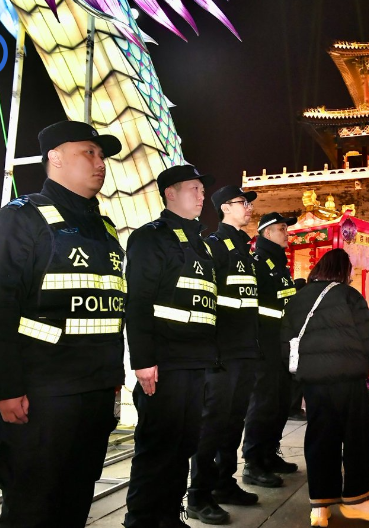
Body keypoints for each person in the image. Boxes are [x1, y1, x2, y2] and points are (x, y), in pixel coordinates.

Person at [0, 120, 125, 527]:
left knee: (75, 499)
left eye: (101, 155)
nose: (100, 163)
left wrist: (113, 379)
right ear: (55, 158)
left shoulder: (105, 228)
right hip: (42, 394)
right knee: (31, 505)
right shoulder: (21, 218)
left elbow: (111, 309)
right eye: (89, 153)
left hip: (95, 391)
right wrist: (5, 388)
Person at [123, 164, 217, 528]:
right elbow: (138, 301)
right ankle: (142, 520)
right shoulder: (151, 237)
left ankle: (169, 517)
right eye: (194, 188)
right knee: (157, 447)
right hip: (164, 362)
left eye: (202, 190)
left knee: (184, 445)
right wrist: (143, 360)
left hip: (195, 362)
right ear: (171, 193)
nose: (201, 195)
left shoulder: (200, 244)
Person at [281, 249, 369, 527]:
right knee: (357, 438)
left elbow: (285, 340)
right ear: (342, 270)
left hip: (314, 383)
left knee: (320, 438)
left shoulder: (298, 298)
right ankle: (358, 499)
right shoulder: (349, 296)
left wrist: (299, 374)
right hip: (348, 380)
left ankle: (320, 507)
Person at [188, 185, 264, 525]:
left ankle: (223, 483)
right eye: (241, 203)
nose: (248, 208)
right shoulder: (214, 246)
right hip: (222, 353)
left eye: (248, 203)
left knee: (234, 422)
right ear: (224, 208)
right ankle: (198, 495)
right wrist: (211, 349)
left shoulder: (245, 251)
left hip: (245, 351)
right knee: (212, 425)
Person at [242, 212, 300, 484]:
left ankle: (269, 453)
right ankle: (253, 463)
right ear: (266, 233)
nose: (286, 233)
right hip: (265, 345)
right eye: (281, 229)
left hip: (283, 345)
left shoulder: (279, 264)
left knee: (280, 403)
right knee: (263, 404)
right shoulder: (256, 264)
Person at [288, 277, 308, 421]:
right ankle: (293, 409)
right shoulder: (301, 303)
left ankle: (292, 408)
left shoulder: (291, 302)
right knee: (297, 379)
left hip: (291, 344)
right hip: (297, 345)